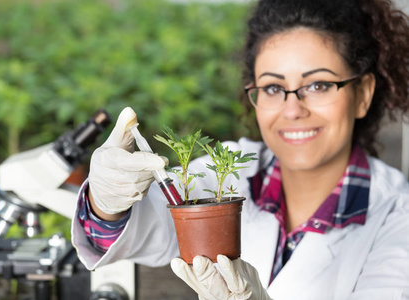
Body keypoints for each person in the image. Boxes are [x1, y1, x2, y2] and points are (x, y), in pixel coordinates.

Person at [71, 0, 409, 299]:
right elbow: (133, 234)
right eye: (274, 87)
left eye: (318, 85)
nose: (292, 110)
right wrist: (106, 204)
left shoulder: (398, 216)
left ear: (363, 94)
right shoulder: (231, 173)